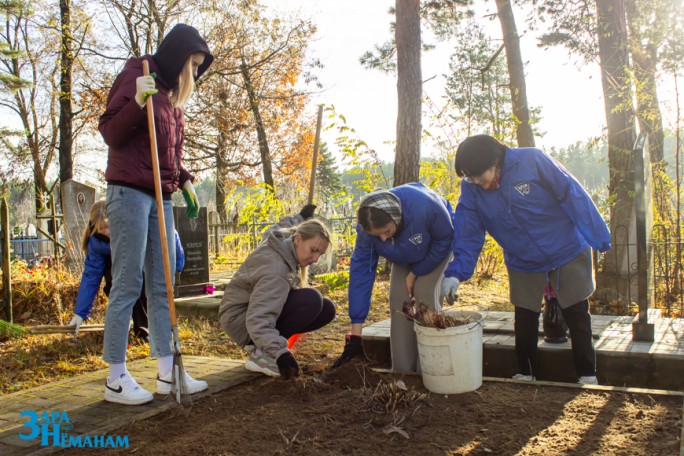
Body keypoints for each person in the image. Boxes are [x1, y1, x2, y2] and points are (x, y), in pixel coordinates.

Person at [98, 23, 213, 405]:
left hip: (161, 195)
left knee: (163, 285)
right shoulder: (139, 72)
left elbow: (168, 155)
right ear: (178, 56)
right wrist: (136, 102)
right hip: (129, 192)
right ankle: (115, 378)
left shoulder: (173, 99)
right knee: (128, 282)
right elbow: (111, 133)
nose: (194, 74)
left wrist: (185, 180)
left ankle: (168, 371)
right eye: (192, 65)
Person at [443, 134, 610, 384]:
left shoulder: (532, 161)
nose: (477, 182)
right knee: (525, 314)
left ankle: (587, 375)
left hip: (565, 247)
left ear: (495, 162)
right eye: (470, 177)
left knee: (576, 312)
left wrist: (598, 235)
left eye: (480, 175)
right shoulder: (472, 189)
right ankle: (525, 372)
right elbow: (468, 231)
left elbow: (571, 193)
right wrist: (456, 273)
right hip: (522, 257)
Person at [333, 182, 455, 373]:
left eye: (386, 232)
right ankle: (403, 371)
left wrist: (416, 272)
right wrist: (355, 335)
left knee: (425, 294)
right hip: (404, 252)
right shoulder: (367, 230)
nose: (382, 239)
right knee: (399, 299)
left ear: (395, 217)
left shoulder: (424, 207)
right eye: (377, 235)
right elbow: (361, 275)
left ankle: (432, 369)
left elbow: (445, 238)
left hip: (437, 247)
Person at [218, 219, 335, 380]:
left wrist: (301, 215)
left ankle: (267, 348)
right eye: (313, 250)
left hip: (247, 315)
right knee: (311, 300)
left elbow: (282, 224)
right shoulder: (276, 270)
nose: (315, 259)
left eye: (319, 254)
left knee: (326, 308)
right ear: (298, 239)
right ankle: (262, 354)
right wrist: (281, 353)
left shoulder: (284, 244)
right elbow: (258, 318)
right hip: (240, 321)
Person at [69, 200, 186, 343]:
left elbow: (169, 233)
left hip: (142, 259)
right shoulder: (96, 241)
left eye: (109, 226)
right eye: (101, 228)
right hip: (116, 269)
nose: (106, 232)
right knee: (115, 282)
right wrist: (80, 313)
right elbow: (91, 275)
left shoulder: (135, 222)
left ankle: (144, 329)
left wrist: (177, 265)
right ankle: (120, 328)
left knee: (140, 281)